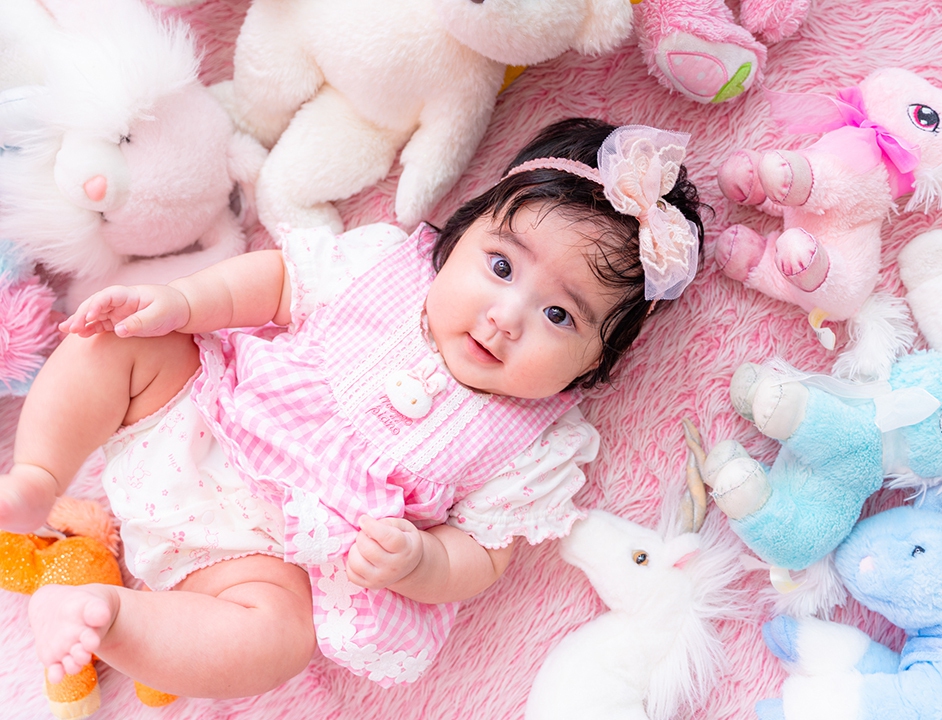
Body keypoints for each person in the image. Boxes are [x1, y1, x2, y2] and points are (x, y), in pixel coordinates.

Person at [0, 118, 706, 698]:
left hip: (263, 559)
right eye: (500, 266)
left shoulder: (538, 448)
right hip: (200, 417)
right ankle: (35, 477)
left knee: (275, 639)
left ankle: (110, 619)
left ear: (593, 366)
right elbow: (276, 282)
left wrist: (420, 562)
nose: (505, 317)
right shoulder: (381, 266)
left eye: (559, 315)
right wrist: (180, 303)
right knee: (123, 341)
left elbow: (482, 555)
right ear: (462, 233)